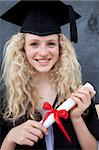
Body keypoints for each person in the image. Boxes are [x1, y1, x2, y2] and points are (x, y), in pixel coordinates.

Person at [0, 1, 99, 150]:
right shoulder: (6, 101)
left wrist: (76, 117)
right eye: (34, 44)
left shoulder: (76, 94)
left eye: (51, 43)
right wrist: (10, 138)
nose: (44, 53)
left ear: (60, 48)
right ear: (22, 49)